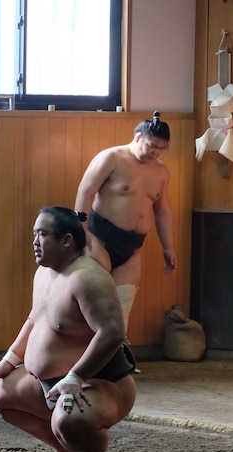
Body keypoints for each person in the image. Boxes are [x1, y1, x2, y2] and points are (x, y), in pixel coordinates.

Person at [0, 206, 137, 452]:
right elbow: (35, 318)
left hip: (98, 383)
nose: (34, 242)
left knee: (69, 419)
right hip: (50, 383)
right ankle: (65, 451)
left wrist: (76, 377)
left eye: (42, 235)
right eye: (34, 234)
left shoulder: (89, 278)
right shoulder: (44, 274)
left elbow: (112, 333)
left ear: (67, 240)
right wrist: (10, 359)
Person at [74, 111, 176, 333]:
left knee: (122, 305)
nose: (155, 152)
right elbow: (86, 192)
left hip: (133, 247)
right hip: (99, 239)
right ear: (138, 136)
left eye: (161, 148)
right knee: (97, 301)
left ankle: (117, 357)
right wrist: (80, 230)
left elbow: (162, 210)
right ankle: (85, 357)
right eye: (151, 146)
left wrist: (168, 247)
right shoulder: (111, 158)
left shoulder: (161, 172)